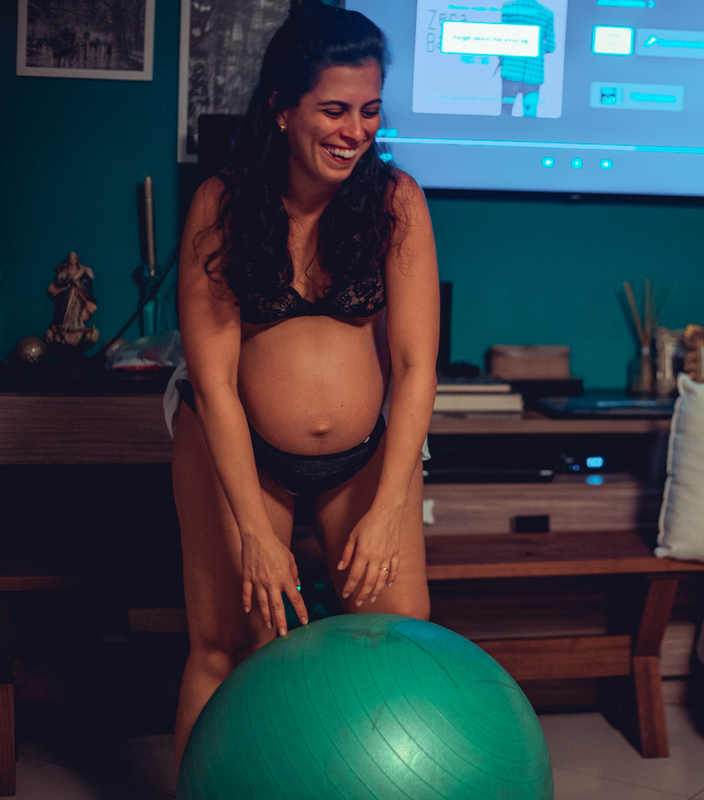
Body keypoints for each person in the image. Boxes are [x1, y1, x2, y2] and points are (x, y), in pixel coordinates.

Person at [166, 3, 439, 768]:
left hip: (360, 460)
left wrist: (392, 505)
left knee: (400, 639)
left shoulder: (395, 201)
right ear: (282, 109)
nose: (355, 131)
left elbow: (418, 367)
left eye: (370, 112)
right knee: (232, 646)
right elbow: (215, 385)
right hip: (239, 452)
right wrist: (253, 529)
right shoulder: (223, 204)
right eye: (334, 111)